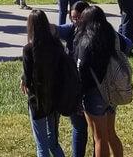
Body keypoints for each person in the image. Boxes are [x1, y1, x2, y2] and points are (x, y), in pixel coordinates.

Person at [21, 9, 80, 157]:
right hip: (54, 100)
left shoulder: (29, 50)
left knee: (41, 146)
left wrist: (24, 80)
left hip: (38, 101)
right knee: (53, 142)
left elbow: (28, 79)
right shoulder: (56, 45)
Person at [73, 7, 124, 157]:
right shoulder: (111, 35)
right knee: (110, 133)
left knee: (99, 137)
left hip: (94, 93)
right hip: (111, 89)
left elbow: (81, 69)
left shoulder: (86, 41)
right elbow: (127, 45)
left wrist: (78, 95)